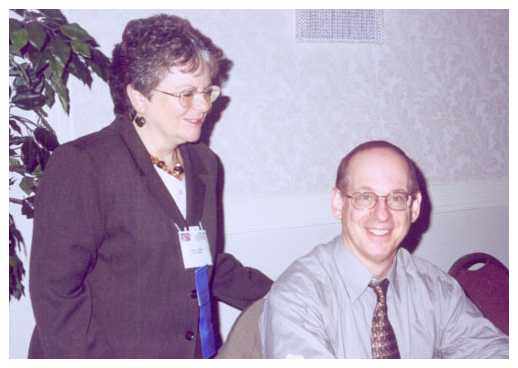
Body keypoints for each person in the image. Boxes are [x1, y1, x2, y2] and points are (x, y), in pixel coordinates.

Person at [28, 13, 272, 358]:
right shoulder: (84, 165)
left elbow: (204, 262)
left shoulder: (204, 164)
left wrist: (287, 297)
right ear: (139, 98)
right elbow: (56, 295)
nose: (203, 105)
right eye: (186, 94)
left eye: (207, 91)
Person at [260, 140, 508, 358]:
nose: (382, 215)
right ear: (338, 203)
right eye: (365, 197)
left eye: (396, 197)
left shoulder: (437, 290)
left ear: (414, 207)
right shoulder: (297, 298)